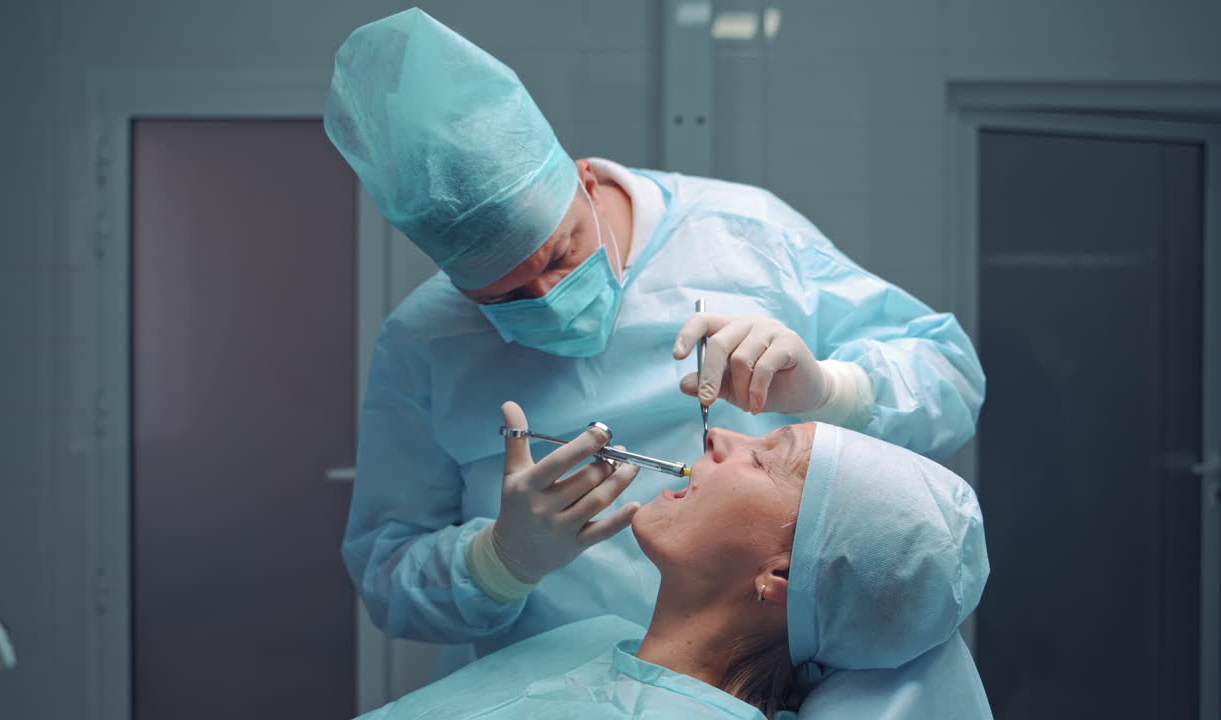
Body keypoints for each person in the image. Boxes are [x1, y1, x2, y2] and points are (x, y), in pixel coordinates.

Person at [323, 7, 987, 662]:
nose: (548, 299)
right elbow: (388, 577)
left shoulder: (745, 235)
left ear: (584, 180)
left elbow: (950, 374)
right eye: (504, 296)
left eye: (561, 255)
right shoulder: (423, 342)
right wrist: (496, 561)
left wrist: (834, 391)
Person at [353, 404, 992, 719]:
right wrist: (500, 562)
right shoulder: (592, 639)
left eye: (765, 458)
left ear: (782, 576)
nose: (719, 436)